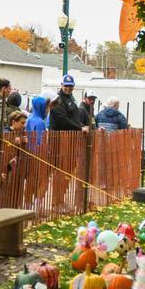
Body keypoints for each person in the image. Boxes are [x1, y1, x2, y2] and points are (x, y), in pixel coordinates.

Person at [49, 75, 88, 208]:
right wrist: (80, 127)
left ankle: (61, 199)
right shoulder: (58, 100)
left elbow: (73, 118)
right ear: (61, 85)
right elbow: (62, 119)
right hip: (60, 140)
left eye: (70, 86)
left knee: (68, 171)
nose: (68, 88)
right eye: (66, 85)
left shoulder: (71, 98)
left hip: (71, 141)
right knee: (60, 171)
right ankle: (56, 201)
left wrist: (82, 125)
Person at [1, 111, 29, 208]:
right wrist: (13, 142)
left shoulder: (21, 132)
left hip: (18, 167)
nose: (24, 125)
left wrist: (24, 142)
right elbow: (4, 147)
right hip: (7, 167)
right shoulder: (6, 132)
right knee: (7, 190)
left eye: (25, 123)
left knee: (17, 190)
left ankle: (15, 207)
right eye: (22, 123)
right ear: (14, 122)